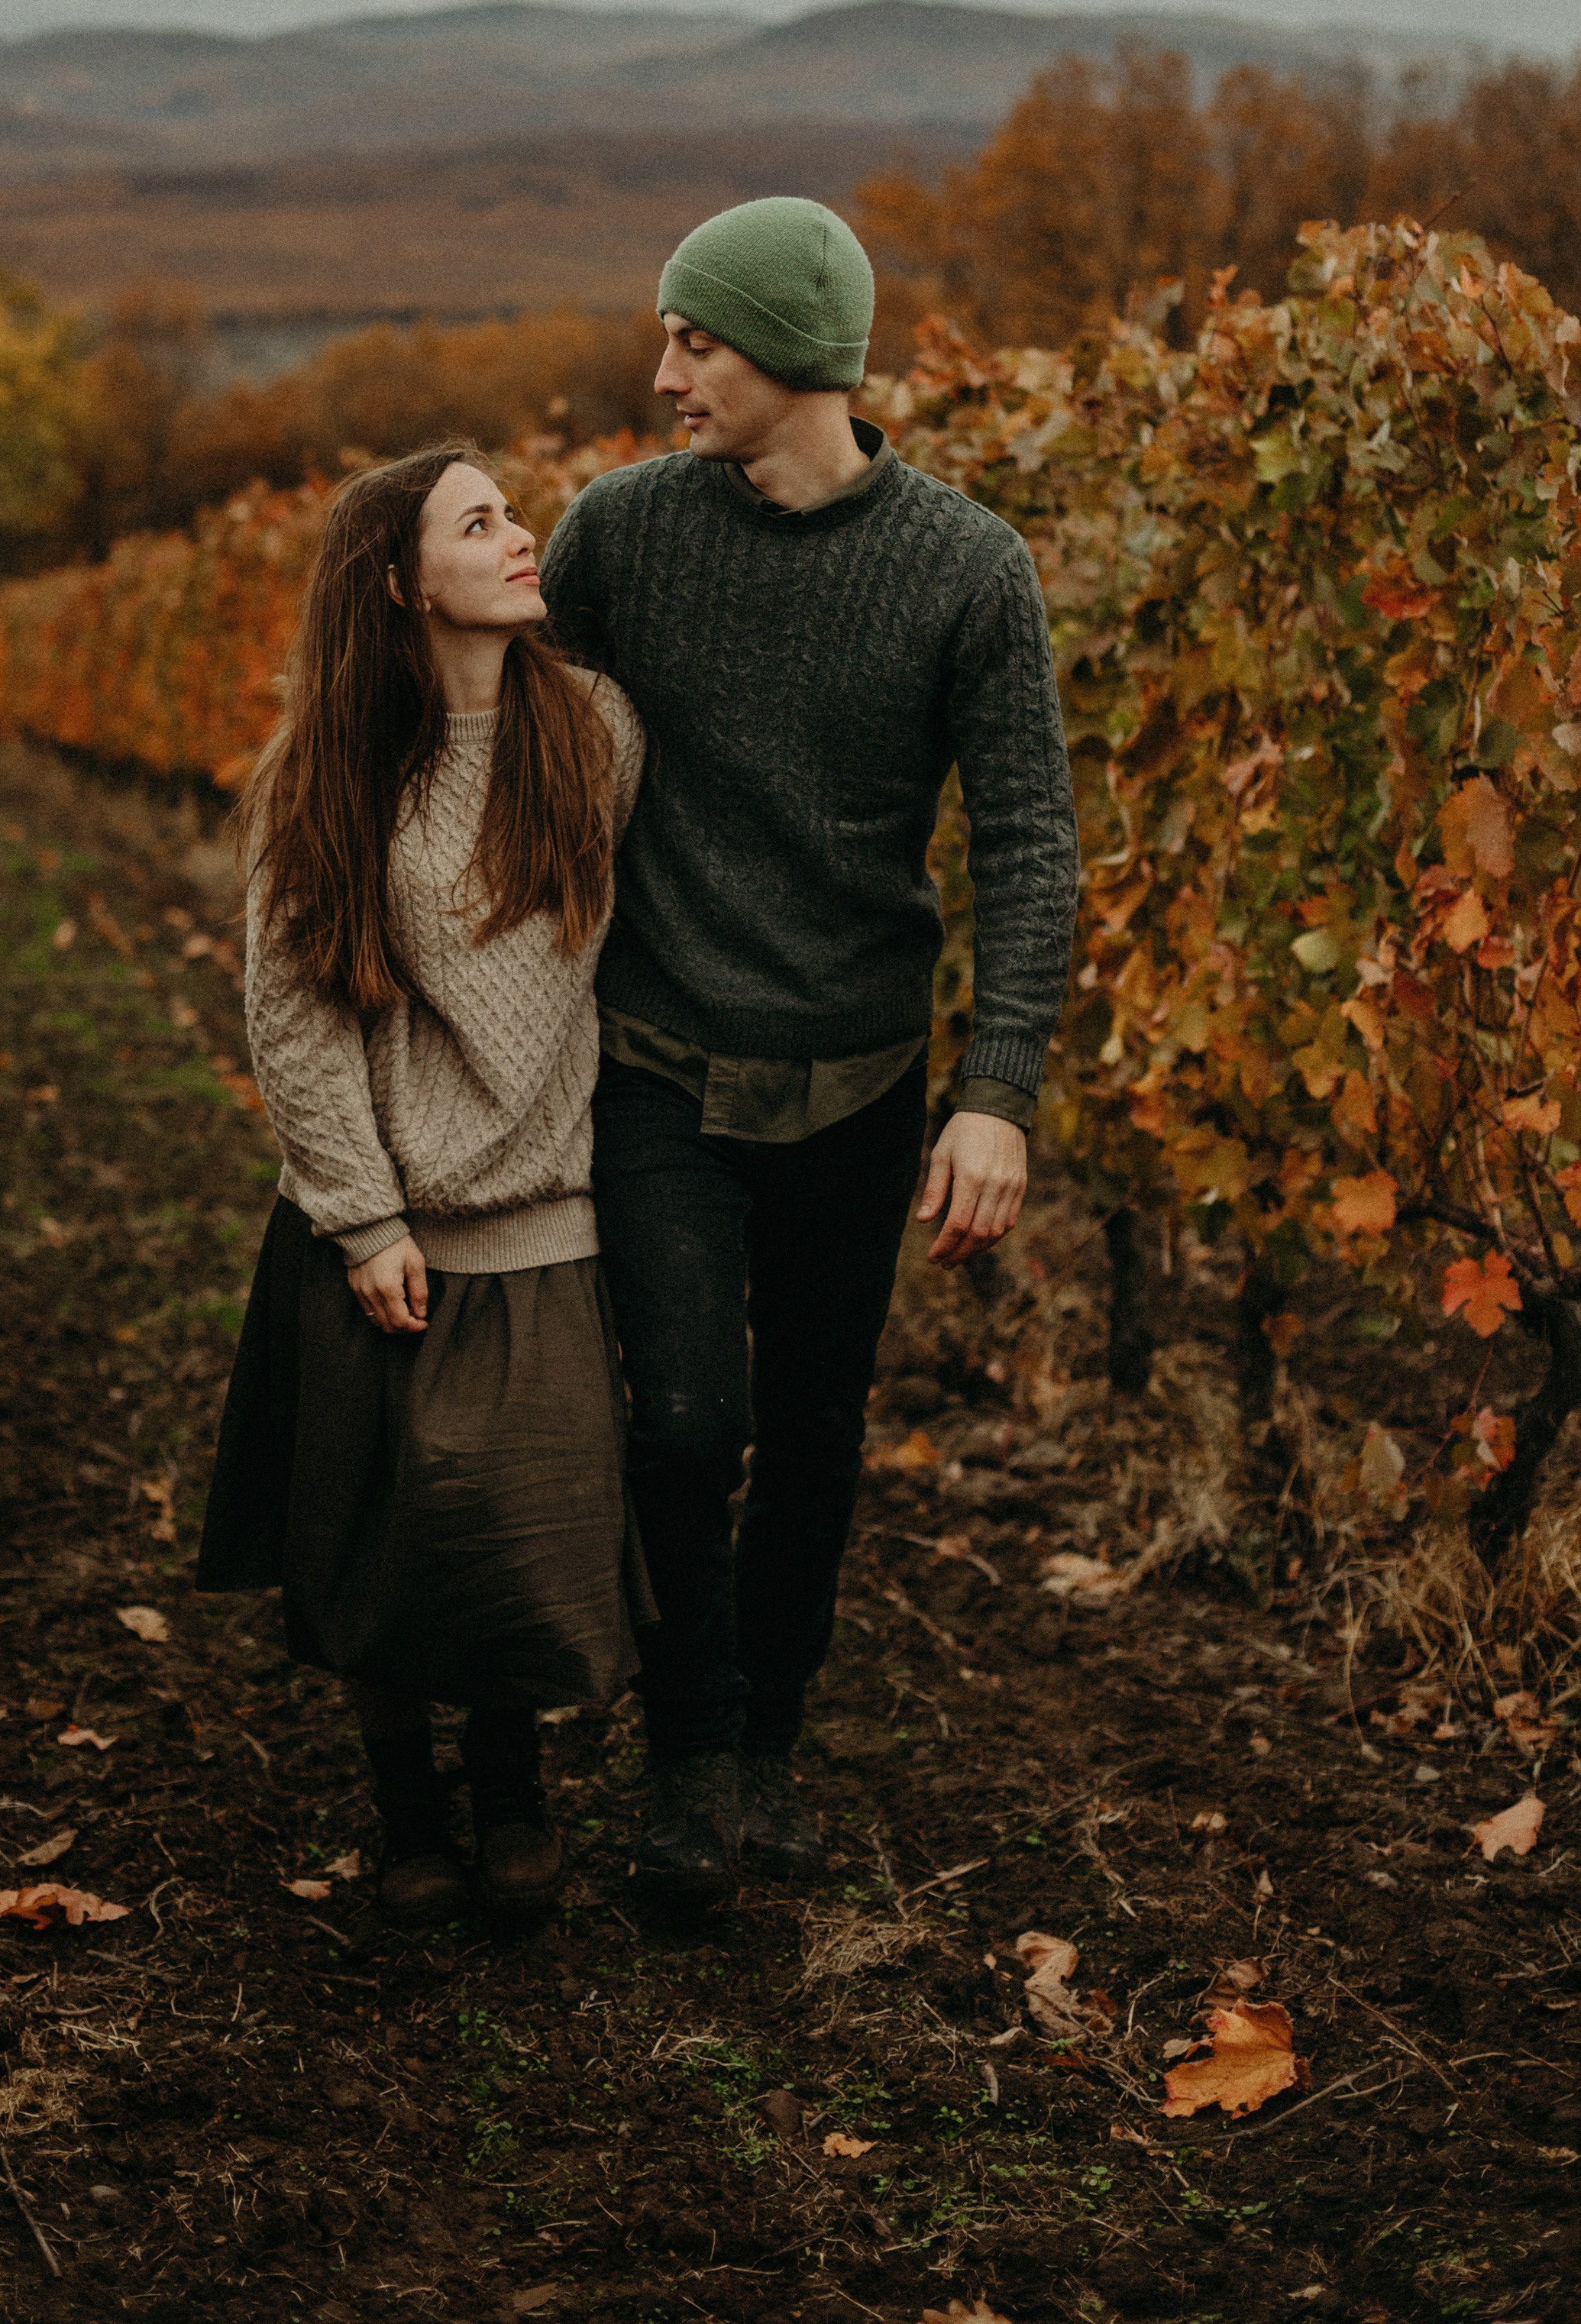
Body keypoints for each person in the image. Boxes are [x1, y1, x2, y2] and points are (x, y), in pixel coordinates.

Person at [539, 196, 1078, 1905]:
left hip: (857, 1077)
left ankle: (765, 1741)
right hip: (655, 1057)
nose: (662, 371)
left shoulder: (966, 569)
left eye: (692, 341)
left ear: (784, 352)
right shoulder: (617, 534)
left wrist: (993, 1096)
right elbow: (493, 735)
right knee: (686, 1423)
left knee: (816, 1433)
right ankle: (684, 1749)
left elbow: (1026, 848)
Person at [198, 443, 649, 1931]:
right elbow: (294, 1011)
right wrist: (362, 1215)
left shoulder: (592, 731)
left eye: (512, 512)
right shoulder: (322, 778)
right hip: (378, 1225)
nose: (524, 537)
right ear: (401, 586)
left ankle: (509, 1783)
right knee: (379, 1536)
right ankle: (406, 1807)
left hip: (542, 1217)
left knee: (515, 1532)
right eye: (481, 523)